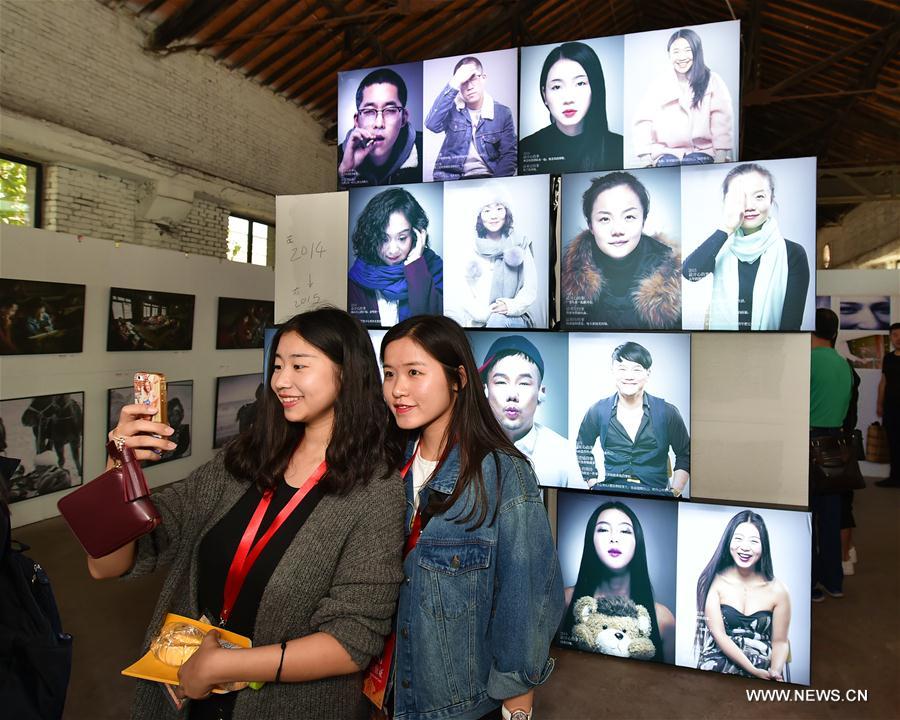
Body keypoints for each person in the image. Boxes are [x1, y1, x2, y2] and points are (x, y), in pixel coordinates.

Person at [87, 308, 405, 720]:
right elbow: (107, 565)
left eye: (299, 366)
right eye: (276, 366)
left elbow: (352, 638)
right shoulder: (242, 462)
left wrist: (227, 665)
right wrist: (120, 466)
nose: (280, 381)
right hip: (182, 700)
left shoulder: (375, 492)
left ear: (348, 373)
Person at [380, 315, 564, 720]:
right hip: (379, 693)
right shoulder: (382, 467)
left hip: (457, 704)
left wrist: (517, 703)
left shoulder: (504, 474)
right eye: (389, 373)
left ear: (458, 379)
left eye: (414, 372)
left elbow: (528, 597)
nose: (397, 389)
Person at [682, 163, 810, 331]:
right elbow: (690, 273)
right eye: (739, 198)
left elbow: (791, 324)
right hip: (720, 350)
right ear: (726, 201)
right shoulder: (721, 247)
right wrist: (726, 228)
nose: (749, 206)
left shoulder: (793, 253)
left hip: (770, 352)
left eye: (759, 196)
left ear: (771, 199)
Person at [561, 171, 681, 329]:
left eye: (629, 217)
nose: (617, 230)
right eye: (605, 219)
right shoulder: (567, 277)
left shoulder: (674, 277)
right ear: (590, 225)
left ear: (643, 220)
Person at [561, 501, 674, 663]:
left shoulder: (663, 618)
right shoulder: (565, 601)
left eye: (625, 531)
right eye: (604, 529)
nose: (614, 539)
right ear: (590, 540)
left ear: (638, 542)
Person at [575, 342, 690, 496]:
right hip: (610, 494)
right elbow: (582, 445)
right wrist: (592, 482)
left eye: (636, 369)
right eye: (622, 369)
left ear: (648, 373)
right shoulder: (598, 410)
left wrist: (675, 491)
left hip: (657, 497)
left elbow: (685, 453)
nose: (629, 376)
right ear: (613, 372)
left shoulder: (667, 412)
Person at [694, 510, 790, 680]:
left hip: (762, 659)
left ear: (764, 546)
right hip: (719, 659)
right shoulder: (714, 582)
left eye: (754, 541)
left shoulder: (778, 590)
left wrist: (775, 671)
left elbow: (780, 642)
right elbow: (719, 635)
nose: (744, 547)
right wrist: (752, 670)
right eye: (738, 538)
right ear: (728, 541)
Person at [479, 335, 578, 488]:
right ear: (485, 390)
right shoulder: (463, 450)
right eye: (500, 382)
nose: (512, 395)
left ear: (541, 393)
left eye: (524, 383)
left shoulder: (566, 455)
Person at [632, 28, 734, 167]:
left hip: (704, 152)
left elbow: (722, 119)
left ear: (696, 52)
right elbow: (643, 121)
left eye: (687, 50)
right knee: (668, 166)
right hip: (666, 154)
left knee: (694, 163)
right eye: (676, 52)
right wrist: (645, 156)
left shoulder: (713, 80)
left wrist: (721, 155)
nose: (681, 57)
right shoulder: (658, 84)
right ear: (669, 55)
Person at [519, 41, 623, 175]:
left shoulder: (619, 147)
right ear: (544, 95)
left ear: (595, 88)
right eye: (557, 87)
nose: (568, 99)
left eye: (580, 83)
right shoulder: (526, 147)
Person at [347, 188, 443, 327]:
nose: (393, 250)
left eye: (402, 238)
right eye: (383, 239)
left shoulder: (434, 267)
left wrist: (416, 266)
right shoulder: (359, 275)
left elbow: (434, 325)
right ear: (371, 237)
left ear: (416, 235)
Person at [809, 308, 852, 601]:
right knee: (831, 513)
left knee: (808, 516)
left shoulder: (806, 361)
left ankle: (811, 585)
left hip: (808, 442)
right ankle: (834, 581)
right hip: (835, 442)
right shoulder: (844, 365)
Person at [450, 187, 538, 328]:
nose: (493, 216)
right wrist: (483, 313)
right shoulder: (469, 247)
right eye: (487, 210)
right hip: (480, 318)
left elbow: (530, 288)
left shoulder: (520, 243)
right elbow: (462, 290)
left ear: (506, 211)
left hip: (514, 316)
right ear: (479, 216)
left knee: (497, 320)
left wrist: (510, 306)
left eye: (499, 209)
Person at [425, 56, 517, 180]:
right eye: (463, 82)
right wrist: (454, 82)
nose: (469, 87)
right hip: (452, 179)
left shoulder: (503, 113)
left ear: (484, 78)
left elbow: (509, 155)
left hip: (489, 177)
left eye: (473, 78)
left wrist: (496, 184)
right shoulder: (452, 109)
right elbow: (432, 124)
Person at [338, 68, 422, 189]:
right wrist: (345, 174)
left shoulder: (426, 149)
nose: (379, 123)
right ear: (357, 120)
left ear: (403, 118)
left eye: (390, 111)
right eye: (369, 111)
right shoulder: (336, 158)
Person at [875, 322, 900, 488]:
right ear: (890, 337)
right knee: (893, 442)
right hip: (891, 407)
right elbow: (883, 382)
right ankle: (894, 477)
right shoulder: (888, 358)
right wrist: (879, 403)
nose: (898, 338)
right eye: (895, 335)